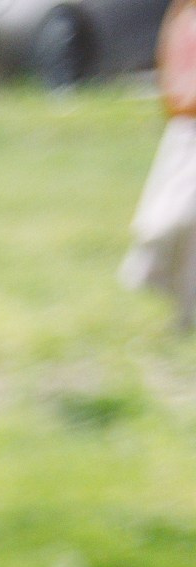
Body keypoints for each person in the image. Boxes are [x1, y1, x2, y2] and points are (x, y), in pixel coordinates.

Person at [123, 0, 196, 329]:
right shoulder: (184, 11)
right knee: (160, 225)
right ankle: (185, 312)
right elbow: (171, 52)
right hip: (183, 132)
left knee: (181, 220)